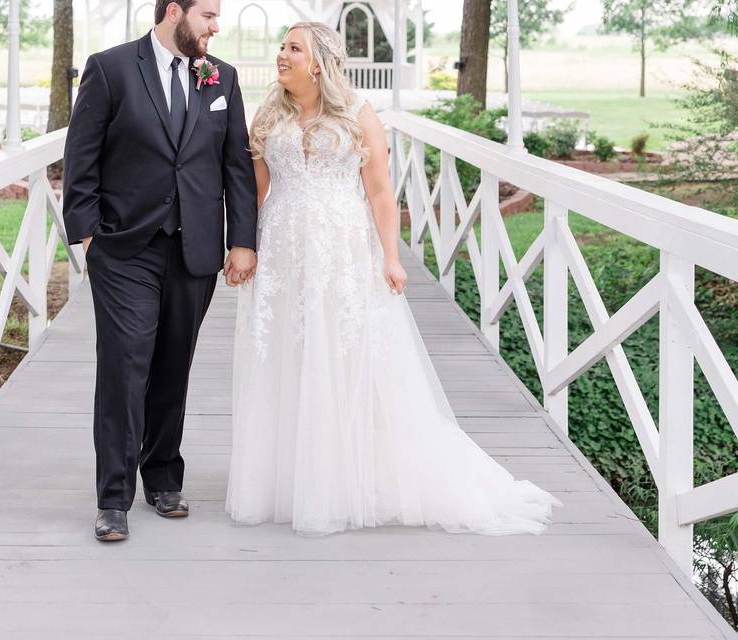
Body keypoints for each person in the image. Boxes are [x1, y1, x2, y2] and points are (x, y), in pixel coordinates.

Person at [226, 22, 561, 536]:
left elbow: (381, 193)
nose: (281, 54)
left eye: (293, 48)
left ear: (319, 62)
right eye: (282, 46)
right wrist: (242, 246)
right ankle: (295, 477)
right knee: (290, 355)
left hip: (343, 250)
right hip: (285, 253)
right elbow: (255, 190)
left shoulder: (358, 116)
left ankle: (350, 473)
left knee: (345, 355)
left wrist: (391, 257)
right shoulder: (269, 115)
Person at [62, 0, 257, 542]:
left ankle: (164, 475)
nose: (217, 27)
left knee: (175, 364)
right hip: (124, 247)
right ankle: (114, 497)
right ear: (175, 11)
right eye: (209, 16)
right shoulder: (111, 68)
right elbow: (82, 155)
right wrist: (86, 231)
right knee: (125, 366)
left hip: (194, 249)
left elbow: (235, 165)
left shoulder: (222, 78)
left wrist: (241, 240)